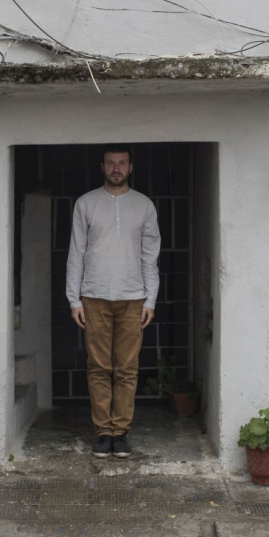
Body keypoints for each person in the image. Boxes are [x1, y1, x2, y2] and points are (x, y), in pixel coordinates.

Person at [66, 145, 161, 459]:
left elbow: (150, 257)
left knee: (127, 370)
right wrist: (74, 299)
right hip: (94, 296)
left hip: (133, 297)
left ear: (131, 167)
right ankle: (103, 433)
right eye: (111, 163)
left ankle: (120, 433)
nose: (116, 168)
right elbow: (76, 253)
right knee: (98, 368)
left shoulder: (144, 205)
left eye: (122, 163)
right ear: (102, 167)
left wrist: (151, 300)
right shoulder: (86, 203)